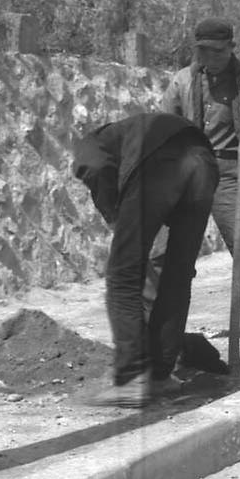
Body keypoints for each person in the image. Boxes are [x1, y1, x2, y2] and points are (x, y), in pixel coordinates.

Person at [72, 112, 219, 407]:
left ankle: (131, 377)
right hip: (205, 163)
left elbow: (95, 168)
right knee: (177, 276)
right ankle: (161, 375)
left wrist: (114, 214)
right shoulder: (129, 132)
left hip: (161, 165)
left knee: (123, 273)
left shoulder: (91, 142)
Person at [159, 17, 240, 346]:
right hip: (190, 172)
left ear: (230, 49)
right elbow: (165, 125)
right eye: (203, 51)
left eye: (217, 51)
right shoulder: (183, 81)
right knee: (168, 255)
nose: (210, 57)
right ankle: (164, 329)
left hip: (229, 171)